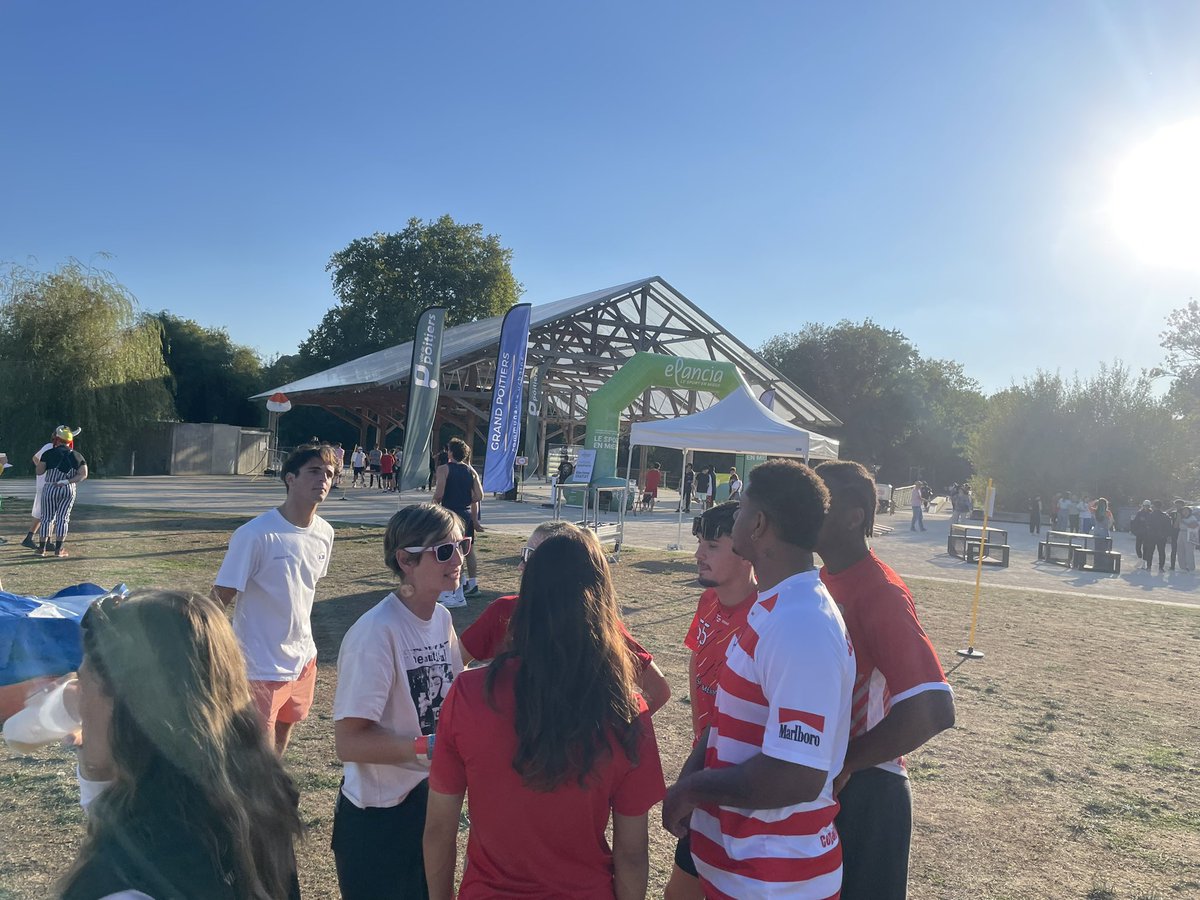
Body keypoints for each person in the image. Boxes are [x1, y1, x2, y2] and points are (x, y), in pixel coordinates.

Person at [424, 527, 666, 899]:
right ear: (602, 595)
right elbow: (632, 855)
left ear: (528, 591)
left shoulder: (468, 695)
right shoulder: (626, 710)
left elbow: (441, 829)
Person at [662, 460, 855, 899]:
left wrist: (693, 788)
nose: (735, 518)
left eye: (741, 510)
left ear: (760, 523)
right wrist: (695, 772)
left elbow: (798, 773)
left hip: (774, 879)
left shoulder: (801, 622)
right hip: (741, 868)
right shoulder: (774, 607)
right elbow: (729, 718)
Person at [58, 589, 303, 900]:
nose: (77, 703)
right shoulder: (253, 802)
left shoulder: (127, 883)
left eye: (83, 684)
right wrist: (98, 772)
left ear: (131, 711)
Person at [815, 461, 956, 900]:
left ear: (854, 516)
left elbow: (933, 709)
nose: (805, 511)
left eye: (820, 502)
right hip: (828, 780)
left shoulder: (881, 592)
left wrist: (847, 761)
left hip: (870, 790)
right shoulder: (821, 580)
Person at [332, 504, 466, 900]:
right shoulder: (375, 633)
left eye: (461, 545)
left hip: (428, 802)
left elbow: (452, 698)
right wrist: (430, 747)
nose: (458, 559)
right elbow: (349, 742)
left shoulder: (441, 618)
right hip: (379, 820)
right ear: (405, 560)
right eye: (443, 551)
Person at [459, 520, 672, 715]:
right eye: (524, 554)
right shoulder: (504, 611)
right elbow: (453, 664)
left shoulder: (598, 624)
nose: (521, 565)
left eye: (532, 557)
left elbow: (658, 690)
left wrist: (619, 731)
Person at [211, 444, 337, 755]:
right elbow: (218, 599)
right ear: (290, 478)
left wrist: (305, 652)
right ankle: (251, 801)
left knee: (282, 737)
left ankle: (271, 795)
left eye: (329, 474)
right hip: (259, 665)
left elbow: (301, 590)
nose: (323, 479)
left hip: (303, 659)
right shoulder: (255, 534)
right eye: (314, 471)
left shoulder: (325, 532)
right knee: (255, 753)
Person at [664, 502, 757, 900]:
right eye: (700, 542)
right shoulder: (708, 601)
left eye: (713, 545)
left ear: (747, 552)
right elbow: (694, 660)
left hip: (744, 784)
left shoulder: (764, 617)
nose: (699, 554)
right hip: (706, 766)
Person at [434, 437, 484, 606]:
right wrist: (466, 498)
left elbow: (439, 494)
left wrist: (432, 508)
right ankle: (466, 586)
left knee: (450, 552)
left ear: (450, 452)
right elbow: (479, 496)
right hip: (466, 514)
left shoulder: (443, 469)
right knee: (467, 550)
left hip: (450, 515)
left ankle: (451, 592)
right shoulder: (471, 471)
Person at [35, 425, 88, 558]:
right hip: (68, 489)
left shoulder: (48, 454)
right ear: (69, 441)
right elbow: (83, 474)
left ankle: (42, 549)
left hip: (50, 488)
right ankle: (59, 550)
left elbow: (39, 471)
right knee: (63, 519)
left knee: (47, 518)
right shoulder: (77, 455)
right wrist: (67, 481)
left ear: (57, 440)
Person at [20, 432, 56, 550]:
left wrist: (41, 469)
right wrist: (45, 471)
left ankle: (30, 538)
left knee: (42, 513)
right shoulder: (53, 448)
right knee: (49, 513)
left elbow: (35, 457)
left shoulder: (47, 446)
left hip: (43, 484)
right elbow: (36, 458)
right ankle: (46, 541)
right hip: (47, 484)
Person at [1147, 500, 1173, 572]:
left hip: (1152, 536)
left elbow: (1147, 526)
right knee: (1161, 552)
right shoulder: (1165, 516)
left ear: (1154, 506)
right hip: (1162, 537)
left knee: (1150, 551)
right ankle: (1161, 567)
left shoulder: (1150, 515)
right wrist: (1166, 535)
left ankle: (1149, 566)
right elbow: (1169, 527)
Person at [1131, 500, 1152, 565]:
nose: (1146, 507)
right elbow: (1135, 522)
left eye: (1147, 506)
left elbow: (1152, 523)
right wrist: (1134, 530)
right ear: (1143, 506)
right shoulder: (1139, 513)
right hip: (1139, 532)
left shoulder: (1151, 513)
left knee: (1145, 547)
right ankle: (1140, 557)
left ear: (1149, 506)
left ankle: (1144, 559)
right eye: (1145, 506)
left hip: (1147, 533)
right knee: (1138, 546)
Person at [1177, 506, 1198, 573]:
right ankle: (1182, 566)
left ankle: (1191, 567)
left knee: (1189, 551)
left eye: (1186, 510)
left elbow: (1194, 526)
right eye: (1183, 511)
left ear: (1189, 511)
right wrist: (1178, 519)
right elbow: (1176, 526)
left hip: (1189, 534)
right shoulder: (1180, 518)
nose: (1185, 512)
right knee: (1180, 550)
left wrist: (1183, 522)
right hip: (1181, 533)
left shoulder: (1192, 518)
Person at [1169, 499, 1186, 571]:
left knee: (1183, 550)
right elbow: (1166, 514)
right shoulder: (1173, 513)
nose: (1178, 506)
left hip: (1182, 532)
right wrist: (1172, 508)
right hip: (1174, 533)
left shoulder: (1185, 513)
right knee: (1174, 550)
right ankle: (1172, 566)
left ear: (1182, 505)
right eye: (1176, 505)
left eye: (1179, 505)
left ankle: (1184, 566)